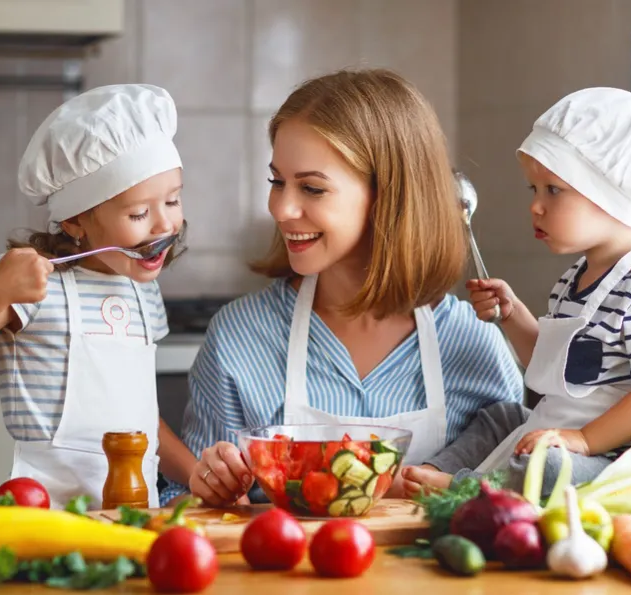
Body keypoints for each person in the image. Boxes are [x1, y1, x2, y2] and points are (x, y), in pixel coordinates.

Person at [159, 69, 525, 507]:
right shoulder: (239, 339)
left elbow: (511, 504)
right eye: (277, 182)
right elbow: (184, 505)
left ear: (389, 196)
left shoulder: (474, 344)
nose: (281, 208)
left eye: (312, 188)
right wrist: (210, 487)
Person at [0, 84, 197, 509]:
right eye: (138, 213)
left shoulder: (142, 293)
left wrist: (195, 474)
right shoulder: (32, 288)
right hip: (46, 519)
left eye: (173, 200)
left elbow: (139, 418)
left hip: (136, 515)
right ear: (77, 220)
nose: (164, 225)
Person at [402, 87, 631, 497]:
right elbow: (555, 371)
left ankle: (462, 489)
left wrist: (585, 440)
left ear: (610, 195)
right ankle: (428, 473)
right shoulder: (575, 279)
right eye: (533, 191)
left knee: (552, 466)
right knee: (502, 416)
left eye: (553, 190)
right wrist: (512, 314)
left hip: (609, 455)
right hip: (559, 427)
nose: (535, 207)